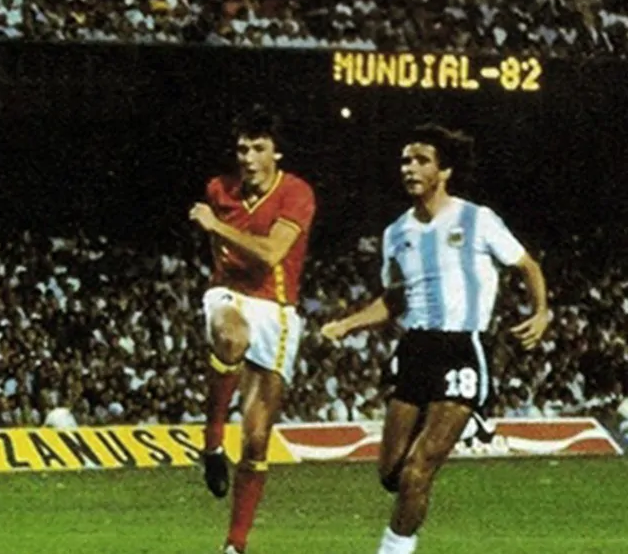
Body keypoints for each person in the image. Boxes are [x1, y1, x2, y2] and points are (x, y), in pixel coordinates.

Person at [320, 124, 549, 554]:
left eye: (421, 160)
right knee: (391, 474)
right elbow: (394, 299)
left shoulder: (477, 219)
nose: (409, 168)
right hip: (415, 349)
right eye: (405, 160)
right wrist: (348, 324)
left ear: (444, 171)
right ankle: (467, 426)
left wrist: (541, 312)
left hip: (462, 348)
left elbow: (527, 266)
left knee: (417, 471)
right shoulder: (396, 233)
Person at [189, 106, 317, 554]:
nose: (248, 157)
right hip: (230, 295)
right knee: (230, 336)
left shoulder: (296, 193)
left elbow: (271, 254)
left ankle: (234, 545)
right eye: (242, 149)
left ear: (276, 153)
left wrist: (215, 226)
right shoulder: (219, 189)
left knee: (258, 440)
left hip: (277, 310)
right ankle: (211, 442)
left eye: (258, 148)